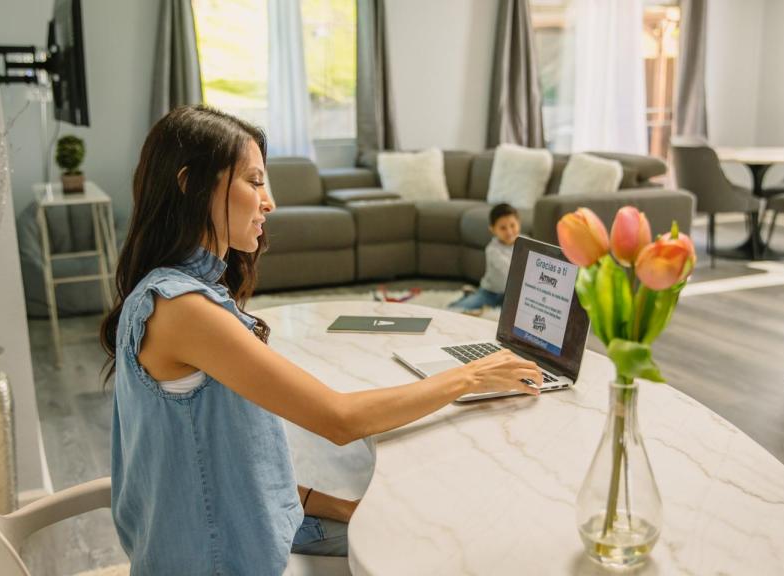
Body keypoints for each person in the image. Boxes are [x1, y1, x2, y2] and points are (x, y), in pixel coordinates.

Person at [99, 105, 542, 575]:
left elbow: (226, 459)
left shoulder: (166, 292)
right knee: (441, 542)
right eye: (253, 182)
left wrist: (336, 508)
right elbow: (339, 419)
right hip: (216, 560)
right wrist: (470, 376)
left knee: (405, 521)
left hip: (227, 529)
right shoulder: (183, 308)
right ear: (190, 185)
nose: (268, 202)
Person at [449, 203, 520, 313]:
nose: (509, 232)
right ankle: (470, 296)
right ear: (493, 230)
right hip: (490, 292)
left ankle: (471, 294)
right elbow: (508, 269)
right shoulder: (492, 250)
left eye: (512, 225)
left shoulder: (524, 243)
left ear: (518, 223)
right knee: (457, 309)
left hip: (512, 295)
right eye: (503, 228)